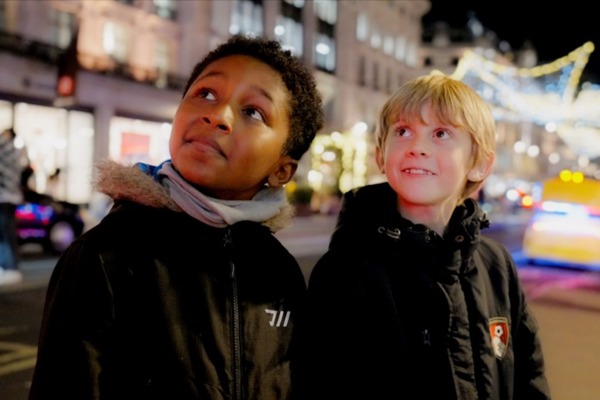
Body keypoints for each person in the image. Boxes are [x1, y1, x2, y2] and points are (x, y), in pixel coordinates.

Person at [29, 34, 324, 400]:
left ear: (282, 170)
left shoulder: (280, 272)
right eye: (206, 94)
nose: (216, 115)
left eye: (253, 112)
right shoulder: (106, 256)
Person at [295, 73, 551, 399]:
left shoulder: (496, 264)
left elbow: (529, 377)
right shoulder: (346, 268)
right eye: (403, 132)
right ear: (381, 155)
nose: (417, 147)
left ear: (479, 165)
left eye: (441, 133)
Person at [0, 128, 24, 285]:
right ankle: (13, 265)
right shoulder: (16, 152)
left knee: (3, 234)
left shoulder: (4, 149)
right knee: (9, 233)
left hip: (4, 197)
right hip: (13, 197)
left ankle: (8, 267)